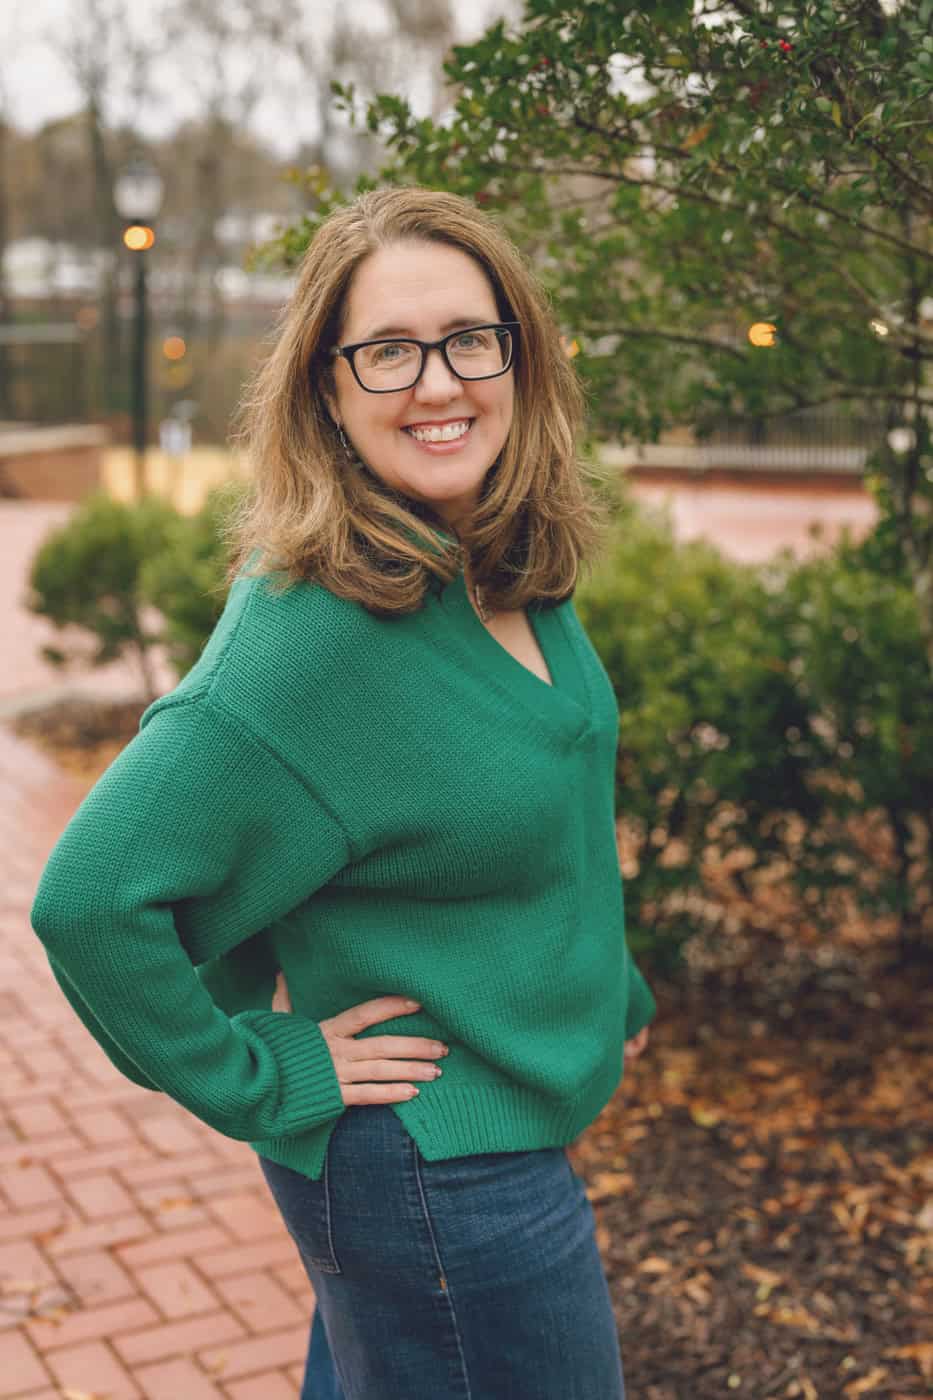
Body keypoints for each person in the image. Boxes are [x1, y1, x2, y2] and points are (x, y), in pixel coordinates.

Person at [30, 185, 657, 1399]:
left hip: (488, 1135)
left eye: (471, 338)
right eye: (386, 351)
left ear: (520, 354)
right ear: (326, 385)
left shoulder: (502, 555)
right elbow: (92, 897)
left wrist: (602, 981)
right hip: (436, 1170)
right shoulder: (312, 632)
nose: (438, 382)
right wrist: (265, 1072)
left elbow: (547, 806)